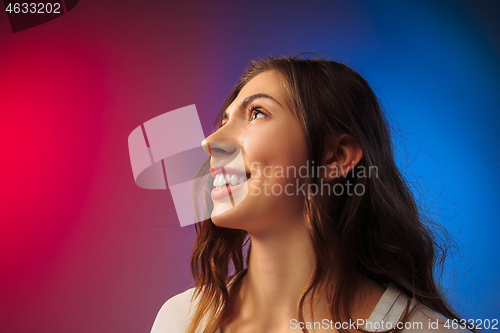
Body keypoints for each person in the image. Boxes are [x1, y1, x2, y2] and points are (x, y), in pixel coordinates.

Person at [150, 55, 472, 333]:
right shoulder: (180, 320)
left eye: (257, 113)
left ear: (336, 156)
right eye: (224, 119)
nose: (210, 141)